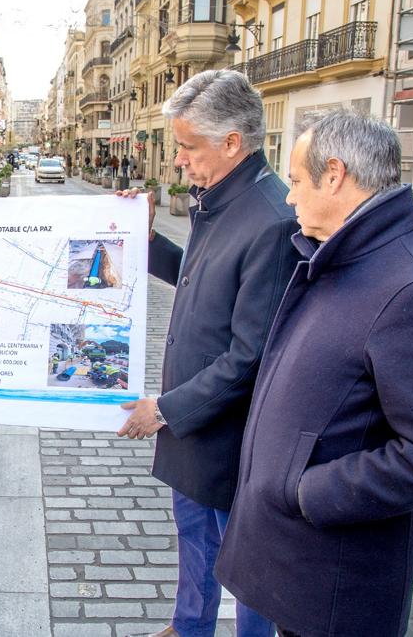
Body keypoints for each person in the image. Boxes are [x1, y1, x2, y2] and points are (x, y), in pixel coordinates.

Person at [215, 110, 413, 637]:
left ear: (334, 174)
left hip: (337, 577)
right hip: (302, 563)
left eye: (295, 182)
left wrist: (305, 490)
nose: (290, 197)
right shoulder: (349, 255)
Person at [116, 69, 300, 637]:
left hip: (229, 431)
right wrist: (145, 243)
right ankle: (189, 626)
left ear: (232, 144)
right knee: (194, 532)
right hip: (198, 423)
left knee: (246, 560)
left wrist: (167, 409)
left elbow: (249, 357)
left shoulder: (270, 219)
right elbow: (199, 281)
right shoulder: (219, 198)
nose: (178, 161)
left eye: (187, 147)